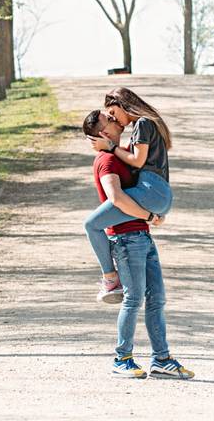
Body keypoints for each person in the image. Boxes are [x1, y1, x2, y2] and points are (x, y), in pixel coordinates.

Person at [87, 111, 193, 380]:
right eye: (109, 119)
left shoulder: (119, 153)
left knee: (157, 299)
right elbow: (116, 198)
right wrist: (148, 215)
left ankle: (161, 359)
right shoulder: (107, 160)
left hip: (142, 236)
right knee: (133, 300)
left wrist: (151, 213)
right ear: (103, 133)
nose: (116, 120)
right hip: (124, 240)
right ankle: (121, 359)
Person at [83, 87, 174, 301]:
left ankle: (110, 278)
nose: (116, 120)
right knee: (152, 299)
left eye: (114, 113)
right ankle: (112, 279)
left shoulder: (142, 123)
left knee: (91, 224)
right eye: (110, 118)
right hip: (157, 193)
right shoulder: (143, 126)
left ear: (123, 103)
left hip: (152, 192)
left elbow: (137, 162)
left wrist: (111, 146)